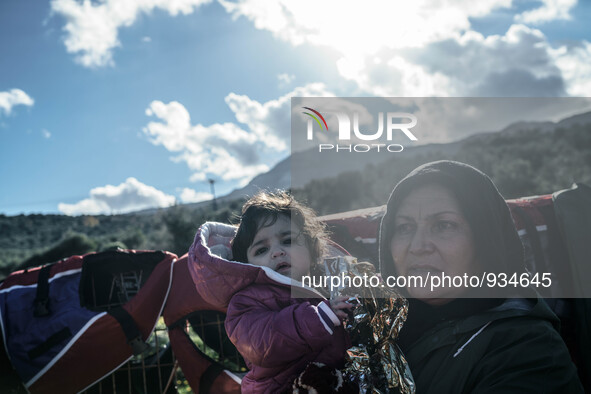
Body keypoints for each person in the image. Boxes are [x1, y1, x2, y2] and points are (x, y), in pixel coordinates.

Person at [378, 160, 584, 393]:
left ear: (485, 240)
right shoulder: (383, 326)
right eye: (404, 227)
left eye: (444, 225)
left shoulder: (527, 350)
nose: (418, 246)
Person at [189, 191, 352, 393]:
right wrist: (317, 318)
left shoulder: (327, 282)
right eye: (261, 250)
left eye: (288, 241)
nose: (277, 251)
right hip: (281, 387)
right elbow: (261, 344)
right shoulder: (246, 301)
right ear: (245, 265)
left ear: (311, 248)